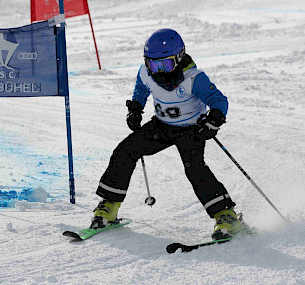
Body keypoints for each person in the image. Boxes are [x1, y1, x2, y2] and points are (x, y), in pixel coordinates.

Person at [91, 28, 242, 240]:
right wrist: (135, 109)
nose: (159, 71)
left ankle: (226, 215)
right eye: (153, 64)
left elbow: (219, 100)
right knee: (126, 150)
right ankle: (109, 206)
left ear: (179, 58)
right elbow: (141, 89)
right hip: (161, 127)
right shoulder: (145, 73)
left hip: (191, 130)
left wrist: (213, 120)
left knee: (194, 169)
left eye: (166, 64)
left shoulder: (193, 78)